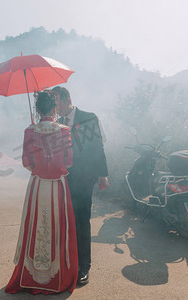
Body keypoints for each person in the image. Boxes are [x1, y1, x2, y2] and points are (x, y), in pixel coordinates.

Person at [5, 91, 78, 295]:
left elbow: (27, 162)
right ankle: (56, 277)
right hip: (57, 186)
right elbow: (69, 161)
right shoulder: (64, 130)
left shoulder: (30, 131)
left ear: (37, 109)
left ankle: (31, 277)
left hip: (37, 186)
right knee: (57, 228)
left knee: (35, 227)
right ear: (54, 108)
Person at [52, 86, 109, 285]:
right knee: (65, 222)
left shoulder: (88, 117)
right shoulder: (56, 124)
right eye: (53, 104)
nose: (55, 107)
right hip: (62, 180)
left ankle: (84, 267)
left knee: (81, 222)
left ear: (68, 100)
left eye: (57, 102)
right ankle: (66, 263)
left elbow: (98, 146)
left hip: (84, 179)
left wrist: (102, 173)